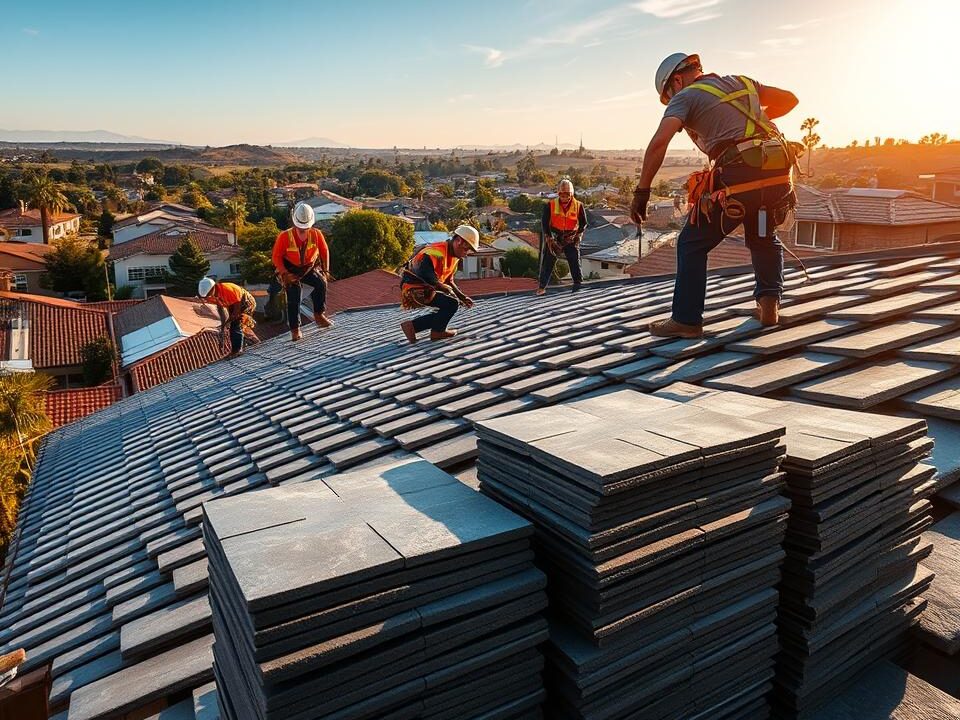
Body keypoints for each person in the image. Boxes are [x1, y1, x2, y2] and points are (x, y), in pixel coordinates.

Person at [630, 52, 800, 338]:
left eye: (668, 94)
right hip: (776, 178)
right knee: (762, 234)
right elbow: (790, 99)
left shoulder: (686, 96)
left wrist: (642, 191)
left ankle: (686, 320)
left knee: (691, 244)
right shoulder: (741, 83)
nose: (671, 99)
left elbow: (660, 143)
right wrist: (757, 119)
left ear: (676, 80)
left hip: (740, 177)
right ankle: (769, 308)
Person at [399, 225, 479, 343]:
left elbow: (448, 280)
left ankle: (413, 327)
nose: (466, 254)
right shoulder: (436, 251)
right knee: (451, 304)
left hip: (426, 288)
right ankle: (435, 331)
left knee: (448, 306)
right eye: (466, 249)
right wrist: (441, 287)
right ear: (458, 241)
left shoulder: (453, 258)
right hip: (414, 288)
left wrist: (462, 296)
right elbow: (424, 272)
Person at [271, 202, 332, 341]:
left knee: (321, 283)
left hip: (308, 267)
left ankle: (319, 315)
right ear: (295, 223)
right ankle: (295, 330)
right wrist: (284, 273)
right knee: (294, 295)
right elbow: (276, 256)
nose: (303, 230)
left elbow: (324, 251)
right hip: (290, 268)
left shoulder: (316, 234)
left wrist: (326, 270)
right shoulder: (285, 236)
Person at [538, 179, 588, 295]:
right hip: (555, 236)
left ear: (571, 194)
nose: (564, 197)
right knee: (548, 261)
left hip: (571, 237)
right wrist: (549, 237)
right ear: (558, 193)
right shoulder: (550, 205)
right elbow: (544, 222)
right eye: (562, 194)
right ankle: (541, 287)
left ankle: (578, 285)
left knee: (574, 260)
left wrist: (579, 235)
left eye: (567, 194)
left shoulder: (578, 205)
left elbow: (584, 223)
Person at [198, 277, 257, 356]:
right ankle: (246, 342)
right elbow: (221, 310)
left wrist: (231, 320)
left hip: (245, 302)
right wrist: (223, 325)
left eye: (208, 294)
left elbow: (237, 308)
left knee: (236, 324)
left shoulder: (227, 290)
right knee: (233, 326)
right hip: (233, 305)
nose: (209, 297)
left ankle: (237, 350)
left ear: (213, 288)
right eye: (207, 296)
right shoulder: (214, 295)